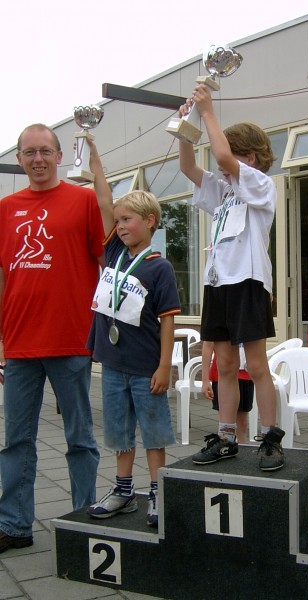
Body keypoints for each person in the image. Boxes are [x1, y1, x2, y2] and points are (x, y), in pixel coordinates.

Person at [0, 124, 107, 553]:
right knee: (16, 441)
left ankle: (83, 518)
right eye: (30, 152)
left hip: (71, 339)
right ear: (20, 159)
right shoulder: (6, 208)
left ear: (60, 156)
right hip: (20, 344)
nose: (38, 159)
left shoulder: (83, 201)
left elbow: (106, 259)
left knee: (79, 438)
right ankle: (14, 525)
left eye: (45, 151)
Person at [179, 83, 285, 471]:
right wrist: (187, 127)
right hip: (219, 283)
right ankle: (226, 437)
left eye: (231, 154)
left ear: (250, 157)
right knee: (224, 365)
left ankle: (270, 438)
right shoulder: (225, 191)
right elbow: (188, 167)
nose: (221, 162)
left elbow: (222, 155)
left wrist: (209, 110)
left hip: (248, 282)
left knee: (255, 366)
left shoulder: (259, 184)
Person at [86, 189, 180, 529]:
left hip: (146, 367)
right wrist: (94, 160)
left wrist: (164, 366)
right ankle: (124, 491)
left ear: (150, 221)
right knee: (118, 431)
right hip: (113, 364)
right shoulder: (115, 253)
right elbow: (103, 200)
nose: (120, 226)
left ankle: (157, 491)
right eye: (118, 221)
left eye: (127, 219)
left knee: (154, 431)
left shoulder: (160, 268)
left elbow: (167, 320)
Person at [201, 341, 254, 444]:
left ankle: (243, 449)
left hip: (245, 374)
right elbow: (208, 345)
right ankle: (225, 446)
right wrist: (205, 380)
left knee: (242, 424)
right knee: (225, 423)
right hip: (222, 376)